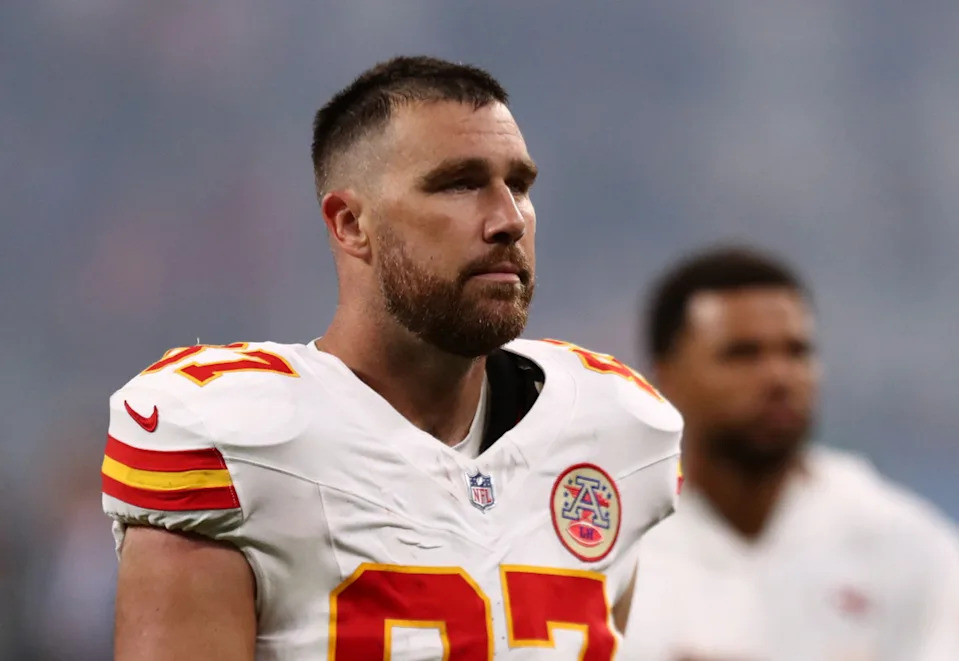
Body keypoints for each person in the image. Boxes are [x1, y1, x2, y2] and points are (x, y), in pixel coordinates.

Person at [101, 55, 682, 660]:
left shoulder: (615, 428)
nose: (509, 220)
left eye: (519, 185)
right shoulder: (230, 438)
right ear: (351, 223)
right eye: (460, 183)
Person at [619, 246, 959, 661]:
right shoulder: (614, 545)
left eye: (796, 352)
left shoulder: (905, 549)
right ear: (665, 376)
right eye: (743, 354)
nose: (779, 377)